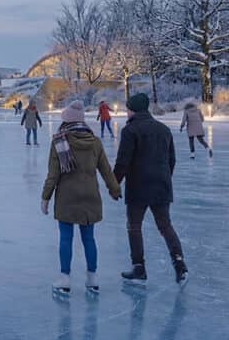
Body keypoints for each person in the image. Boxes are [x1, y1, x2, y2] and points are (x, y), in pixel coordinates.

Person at [41, 101, 122, 295]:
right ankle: (92, 279)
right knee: (89, 238)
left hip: (67, 197)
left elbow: (53, 175)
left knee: (66, 238)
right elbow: (106, 170)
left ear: (66, 120)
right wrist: (114, 189)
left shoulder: (59, 142)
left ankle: (65, 279)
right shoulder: (95, 142)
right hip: (90, 196)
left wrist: (45, 197)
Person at [115, 93, 188, 285]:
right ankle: (179, 263)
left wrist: (114, 184)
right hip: (161, 186)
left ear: (133, 109)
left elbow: (123, 161)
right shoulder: (164, 129)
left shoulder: (130, 131)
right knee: (165, 225)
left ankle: (139, 267)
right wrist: (164, 178)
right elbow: (172, 159)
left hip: (138, 187)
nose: (126, 112)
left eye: (128, 109)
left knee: (134, 226)